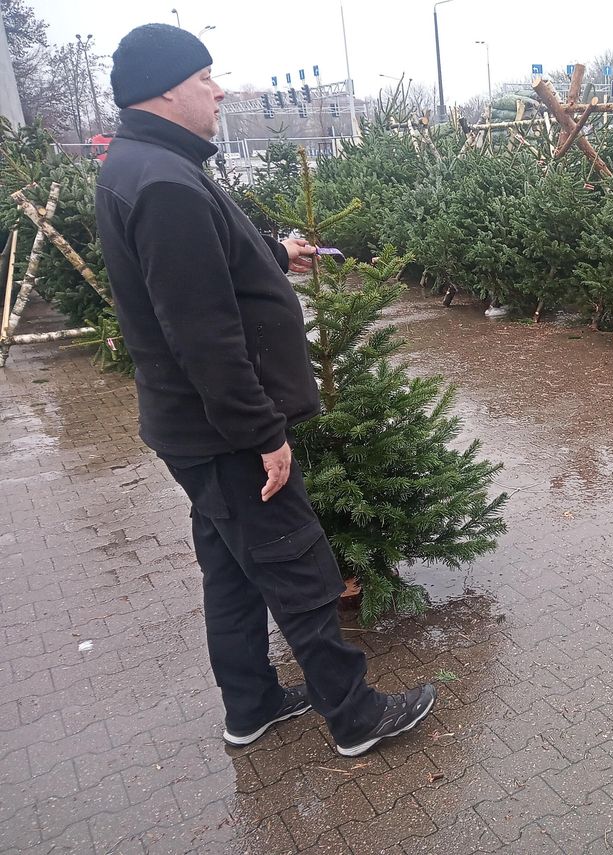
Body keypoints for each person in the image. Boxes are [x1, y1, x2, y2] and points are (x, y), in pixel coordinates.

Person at [94, 23, 435, 756]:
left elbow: (204, 270)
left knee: (230, 570)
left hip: (192, 430)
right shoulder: (162, 182)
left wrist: (272, 255)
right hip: (223, 433)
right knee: (300, 569)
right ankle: (355, 717)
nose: (218, 90)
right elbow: (203, 334)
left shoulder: (146, 162)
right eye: (206, 77)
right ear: (165, 88)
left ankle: (249, 707)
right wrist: (263, 434)